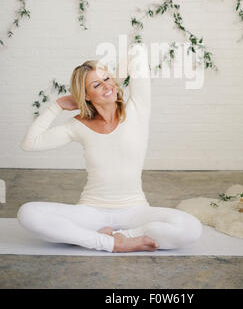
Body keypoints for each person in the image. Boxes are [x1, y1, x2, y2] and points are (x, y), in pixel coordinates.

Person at [17, 42, 203, 253]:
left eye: (107, 79)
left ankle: (121, 237)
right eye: (96, 85)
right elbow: (29, 144)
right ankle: (109, 243)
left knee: (191, 228)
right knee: (28, 213)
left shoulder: (137, 109)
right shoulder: (77, 126)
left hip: (135, 210)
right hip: (91, 212)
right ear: (86, 95)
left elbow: (138, 52)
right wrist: (56, 106)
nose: (107, 87)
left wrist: (111, 77)